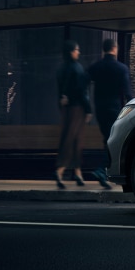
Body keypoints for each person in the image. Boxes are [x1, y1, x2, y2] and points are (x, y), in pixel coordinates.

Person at [87, 37, 133, 189]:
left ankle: (105, 170)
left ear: (104, 49)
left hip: (99, 109)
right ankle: (102, 169)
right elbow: (127, 93)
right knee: (113, 140)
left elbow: (83, 83)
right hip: (115, 109)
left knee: (107, 139)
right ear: (115, 49)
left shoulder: (96, 67)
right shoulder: (121, 68)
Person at [54, 40, 92, 189]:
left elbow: (60, 90)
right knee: (73, 139)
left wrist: (61, 100)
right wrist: (88, 109)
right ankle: (60, 170)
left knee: (73, 139)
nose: (79, 52)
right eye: (77, 50)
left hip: (66, 109)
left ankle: (78, 173)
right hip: (78, 109)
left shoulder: (61, 68)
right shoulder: (77, 68)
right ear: (71, 52)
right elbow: (82, 91)